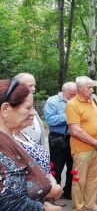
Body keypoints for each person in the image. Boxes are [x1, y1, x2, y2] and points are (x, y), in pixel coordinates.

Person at [0, 78, 62, 211]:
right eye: (28, 108)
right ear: (5, 109)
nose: (33, 112)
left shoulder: (8, 137)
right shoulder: (2, 148)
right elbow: (12, 204)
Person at [65, 76, 97, 211]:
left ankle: (90, 205)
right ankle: (78, 207)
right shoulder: (72, 104)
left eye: (92, 87)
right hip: (82, 149)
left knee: (94, 179)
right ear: (80, 89)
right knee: (79, 181)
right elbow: (76, 130)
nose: (92, 89)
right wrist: (96, 142)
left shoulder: (93, 101)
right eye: (89, 87)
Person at [44, 82, 77, 202]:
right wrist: (69, 116)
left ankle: (68, 192)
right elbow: (50, 120)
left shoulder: (77, 101)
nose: (73, 96)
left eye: (75, 94)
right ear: (63, 91)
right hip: (58, 137)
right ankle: (54, 196)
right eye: (71, 94)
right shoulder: (52, 102)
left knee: (72, 167)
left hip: (74, 138)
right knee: (56, 168)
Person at [14, 73, 45, 146]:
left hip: (33, 150)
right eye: (30, 85)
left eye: (34, 85)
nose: (34, 89)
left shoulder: (29, 102)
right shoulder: (12, 106)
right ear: (18, 86)